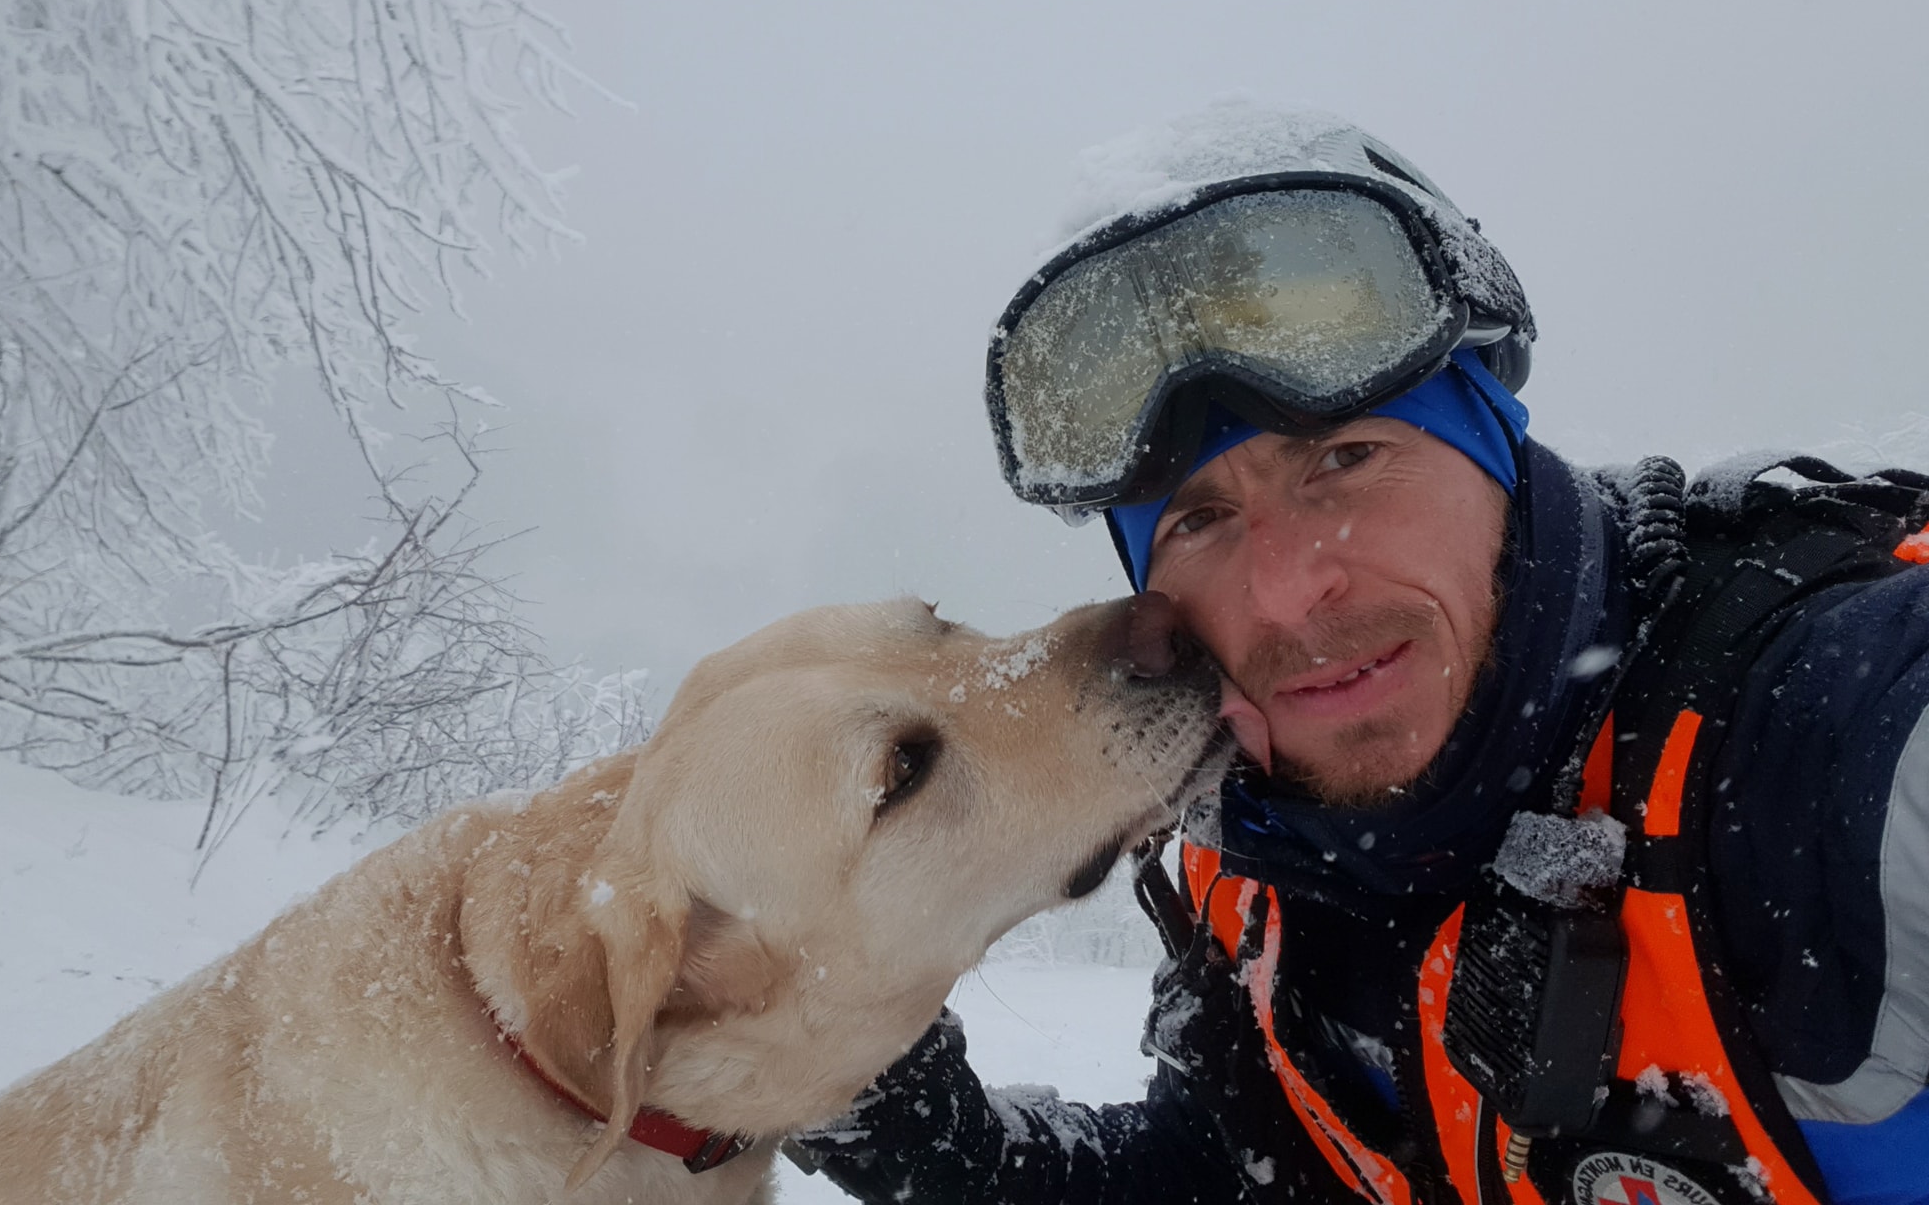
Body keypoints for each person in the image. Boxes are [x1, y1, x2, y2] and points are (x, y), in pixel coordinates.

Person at [791, 97, 1929, 1205]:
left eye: (1345, 458)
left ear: (1492, 444)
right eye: (1198, 521)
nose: (1288, 592)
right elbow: (1216, 1173)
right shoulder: (1253, 866)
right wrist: (872, 1094)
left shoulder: (1835, 743)